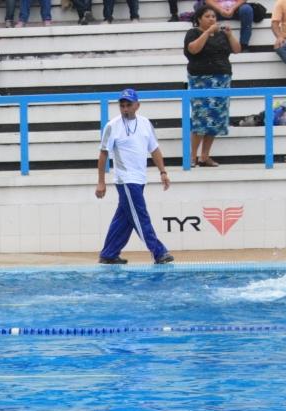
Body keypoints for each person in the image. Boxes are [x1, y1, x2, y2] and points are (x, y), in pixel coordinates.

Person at [94, 89, 174, 265]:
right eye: (122, 105)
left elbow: (154, 149)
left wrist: (163, 172)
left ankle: (108, 254)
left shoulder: (145, 123)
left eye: (128, 105)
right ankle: (158, 252)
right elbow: (103, 155)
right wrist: (101, 182)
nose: (125, 109)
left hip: (140, 178)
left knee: (124, 219)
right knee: (140, 216)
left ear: (137, 105)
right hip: (125, 180)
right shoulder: (112, 126)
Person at [185, 5, 241, 167]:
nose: (212, 19)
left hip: (222, 78)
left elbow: (237, 50)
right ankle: (192, 156)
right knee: (200, 118)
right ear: (199, 19)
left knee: (215, 118)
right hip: (201, 79)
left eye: (214, 17)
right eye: (208, 16)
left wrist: (230, 36)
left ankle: (204, 156)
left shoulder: (222, 34)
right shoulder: (193, 33)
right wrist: (207, 33)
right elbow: (193, 50)